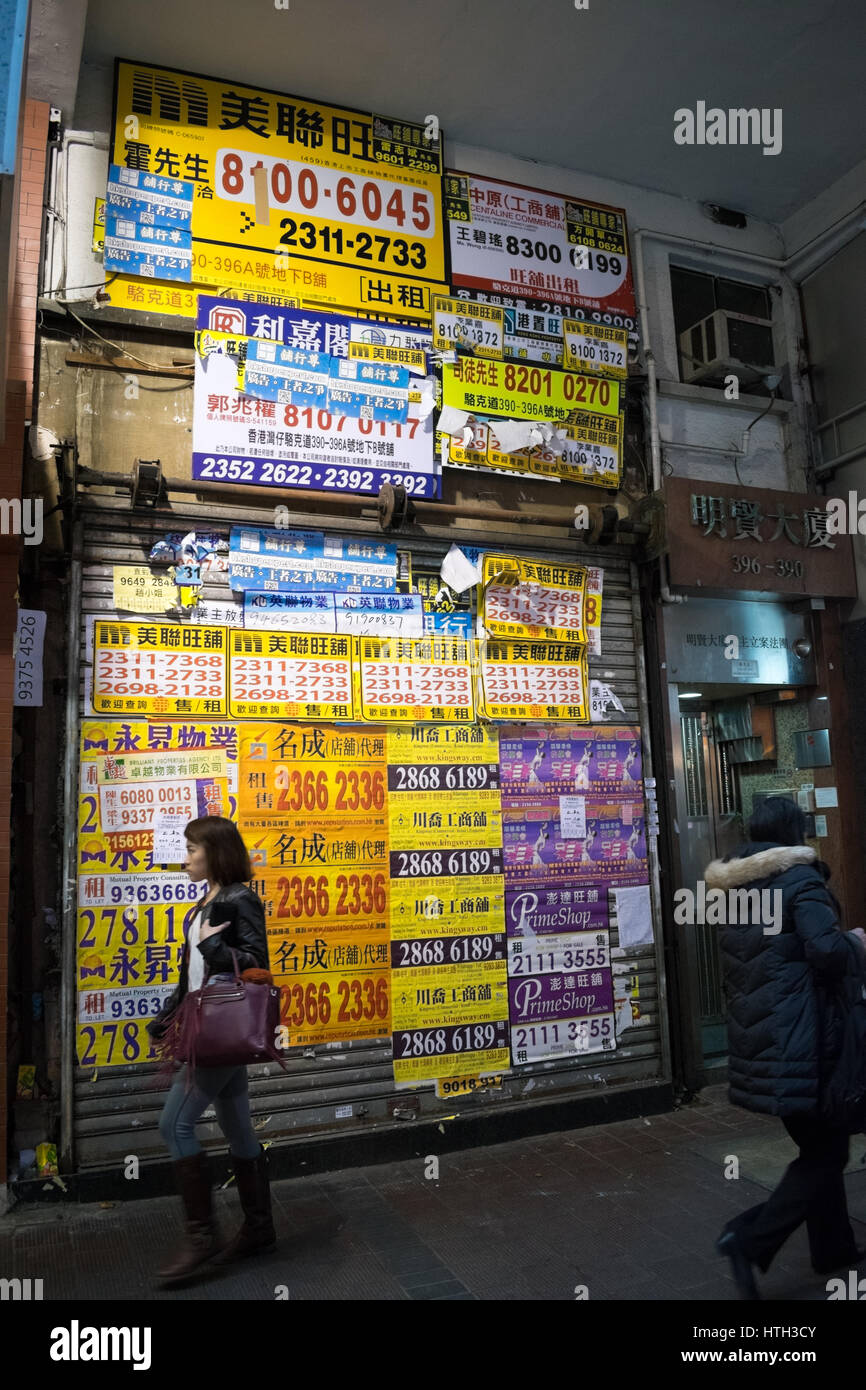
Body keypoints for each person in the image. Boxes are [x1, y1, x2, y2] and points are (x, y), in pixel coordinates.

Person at [706, 796, 866, 1299]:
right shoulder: (801, 882)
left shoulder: (736, 890)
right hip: (808, 1037)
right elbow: (828, 952)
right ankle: (747, 1236)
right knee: (826, 1150)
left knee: (818, 1142)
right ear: (795, 833)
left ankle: (834, 1247)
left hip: (765, 1038)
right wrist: (858, 941)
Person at [147, 817, 275, 1285]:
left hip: (224, 1033)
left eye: (191, 848)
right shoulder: (199, 904)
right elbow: (191, 976)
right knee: (237, 1127)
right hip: (205, 1028)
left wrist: (215, 944)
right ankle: (260, 1229)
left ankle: (203, 1238)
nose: (185, 856)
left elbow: (257, 964)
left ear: (214, 852)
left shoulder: (239, 897)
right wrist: (167, 1014)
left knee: (173, 1123)